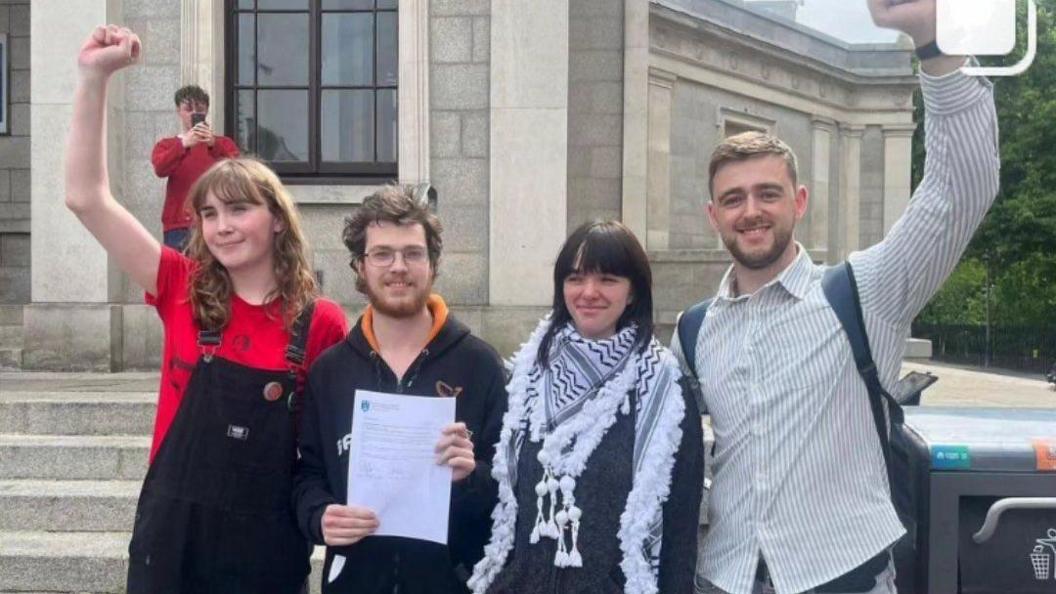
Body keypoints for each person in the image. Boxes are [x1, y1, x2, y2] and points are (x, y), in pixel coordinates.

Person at [673, 2, 1001, 593]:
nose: (751, 211)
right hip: (725, 576)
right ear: (713, 216)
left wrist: (932, 37)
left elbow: (961, 186)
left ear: (799, 202)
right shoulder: (694, 330)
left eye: (767, 194)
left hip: (843, 575)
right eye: (733, 199)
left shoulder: (865, 291)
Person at [66, 25, 349, 593]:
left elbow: (331, 445)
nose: (221, 227)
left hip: (267, 544)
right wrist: (94, 78)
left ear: (276, 219)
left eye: (238, 210)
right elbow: (85, 197)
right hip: (172, 534)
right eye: (209, 214)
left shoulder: (321, 322)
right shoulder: (179, 286)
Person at [292, 185, 508, 594]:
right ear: (359, 266)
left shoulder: (480, 365)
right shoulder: (330, 371)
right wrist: (319, 516)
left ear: (433, 264)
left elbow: (511, 489)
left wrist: (470, 478)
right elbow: (307, 474)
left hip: (455, 582)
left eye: (412, 253)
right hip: (355, 582)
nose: (398, 267)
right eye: (382, 254)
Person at [468, 220, 704, 594]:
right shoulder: (527, 376)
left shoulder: (662, 387)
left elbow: (679, 524)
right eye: (575, 278)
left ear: (633, 293)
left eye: (608, 279)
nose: (588, 292)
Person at [152, 84, 240, 250]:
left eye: (199, 108)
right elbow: (160, 169)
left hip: (216, 220)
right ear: (179, 111)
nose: (194, 113)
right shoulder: (167, 145)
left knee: (216, 274)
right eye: (188, 109)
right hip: (179, 225)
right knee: (181, 274)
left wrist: (214, 144)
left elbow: (239, 171)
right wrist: (184, 144)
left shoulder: (223, 143)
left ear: (206, 111)